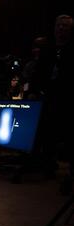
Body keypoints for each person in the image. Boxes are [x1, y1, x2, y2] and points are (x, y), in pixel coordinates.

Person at [39, 14, 74, 194]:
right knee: (48, 134)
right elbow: (40, 71)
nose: (61, 29)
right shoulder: (47, 48)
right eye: (58, 25)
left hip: (68, 98)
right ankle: (48, 167)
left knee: (69, 136)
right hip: (49, 96)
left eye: (65, 26)